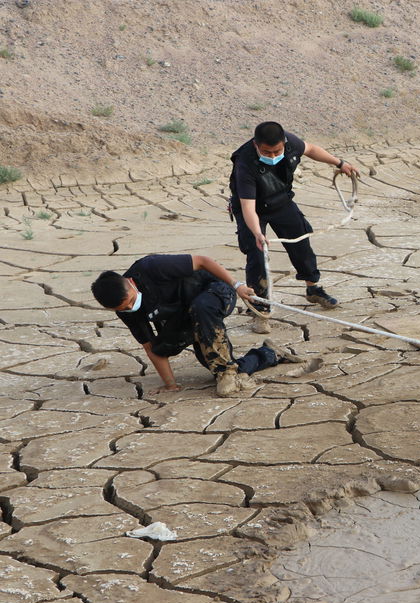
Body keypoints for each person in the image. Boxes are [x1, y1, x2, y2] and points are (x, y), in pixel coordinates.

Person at [90, 254, 305, 397]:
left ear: (129, 283)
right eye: (123, 307)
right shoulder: (126, 312)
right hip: (186, 313)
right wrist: (170, 384)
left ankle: (226, 372)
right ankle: (269, 354)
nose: (130, 306)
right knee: (211, 362)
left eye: (129, 300)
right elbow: (149, 347)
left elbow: (202, 261)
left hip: (215, 291)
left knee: (201, 308)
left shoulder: (151, 268)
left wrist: (236, 285)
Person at [229, 121, 359, 334]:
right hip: (252, 208)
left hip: (281, 201)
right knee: (257, 254)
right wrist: (257, 233)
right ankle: (260, 310)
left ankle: (313, 288)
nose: (272, 156)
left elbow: (312, 150)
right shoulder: (245, 163)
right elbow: (247, 207)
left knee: (301, 242)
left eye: (277, 151)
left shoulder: (291, 143)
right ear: (255, 145)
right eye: (266, 152)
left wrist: (339, 163)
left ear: (284, 143)